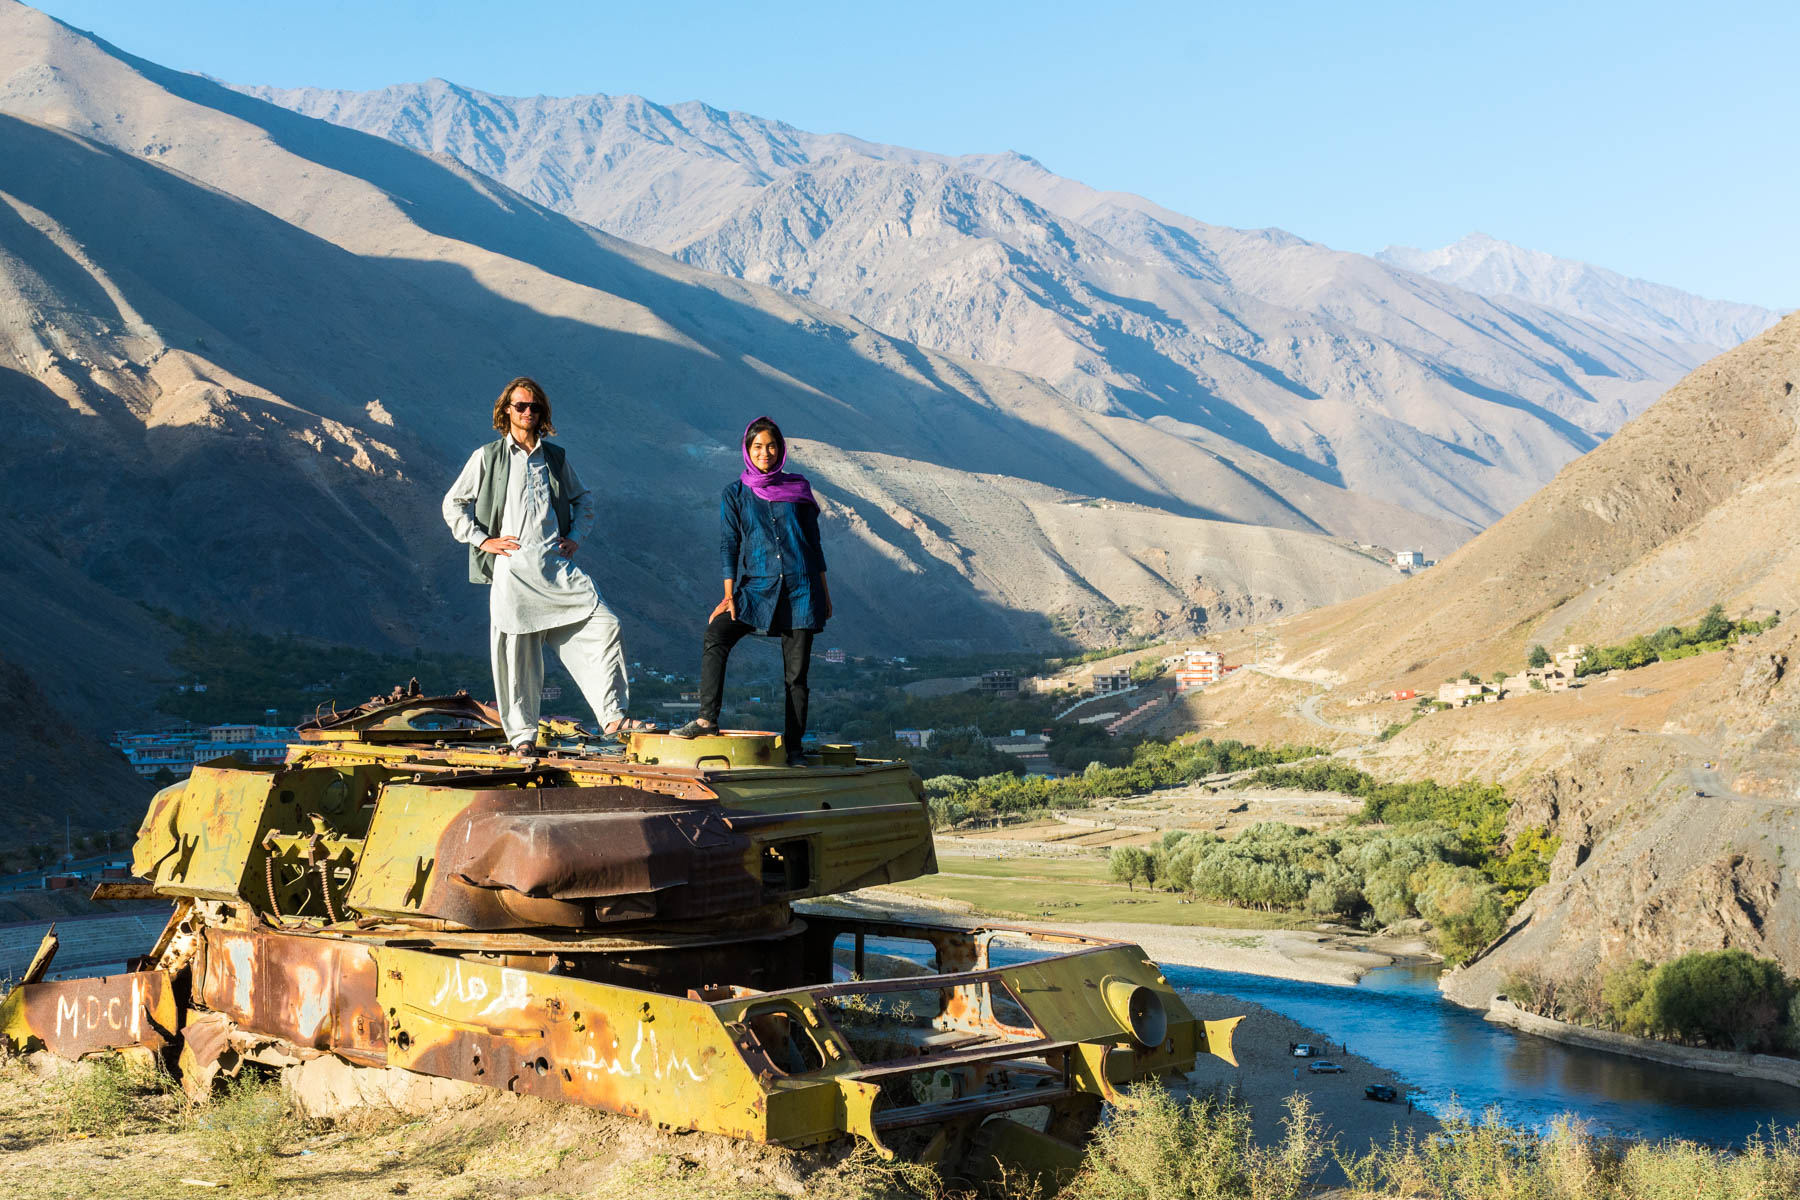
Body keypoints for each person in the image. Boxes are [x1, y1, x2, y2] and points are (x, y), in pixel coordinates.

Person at [442, 376, 650, 754]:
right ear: (507, 409)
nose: (527, 413)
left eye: (534, 407)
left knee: (605, 625)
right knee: (518, 660)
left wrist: (575, 539)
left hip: (555, 568)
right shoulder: (487, 456)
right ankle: (522, 738)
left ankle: (612, 716)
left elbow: (583, 500)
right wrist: (483, 540)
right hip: (513, 571)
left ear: (542, 413)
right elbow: (453, 504)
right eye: (520, 406)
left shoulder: (554, 457)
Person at [670, 416, 830, 766]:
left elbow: (813, 545)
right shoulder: (735, 494)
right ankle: (706, 719)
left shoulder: (799, 489)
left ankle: (794, 749)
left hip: (802, 589)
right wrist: (729, 596)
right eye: (757, 446)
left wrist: (824, 594)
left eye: (771, 445)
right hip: (756, 587)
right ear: (747, 449)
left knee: (796, 676)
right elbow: (730, 544)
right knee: (717, 634)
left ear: (781, 449)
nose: (765, 452)